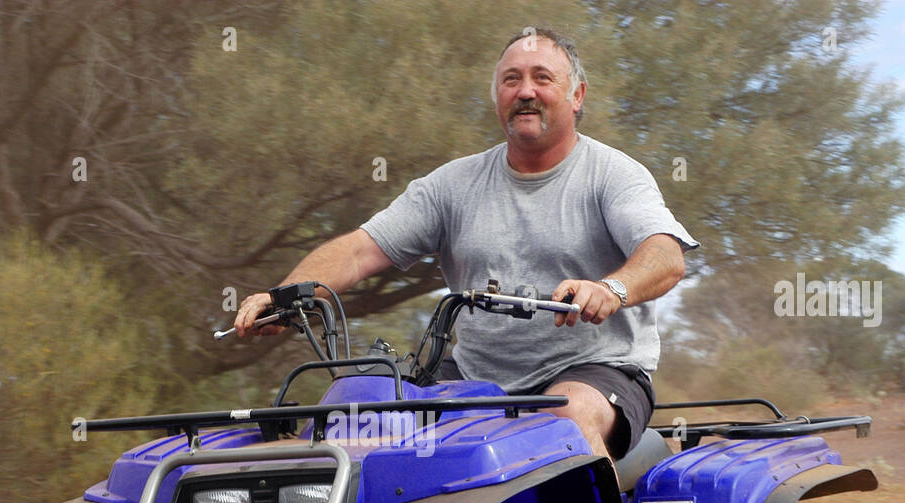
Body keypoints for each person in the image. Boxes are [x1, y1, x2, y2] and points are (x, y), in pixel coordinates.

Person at [235, 27, 698, 460]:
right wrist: (285, 297)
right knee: (357, 421)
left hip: (596, 371)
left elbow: (665, 255)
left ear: (577, 96)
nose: (525, 91)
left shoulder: (614, 175)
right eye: (511, 80)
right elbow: (360, 249)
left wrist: (611, 289)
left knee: (562, 421)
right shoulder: (453, 184)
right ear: (498, 95)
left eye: (542, 78)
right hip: (472, 378)